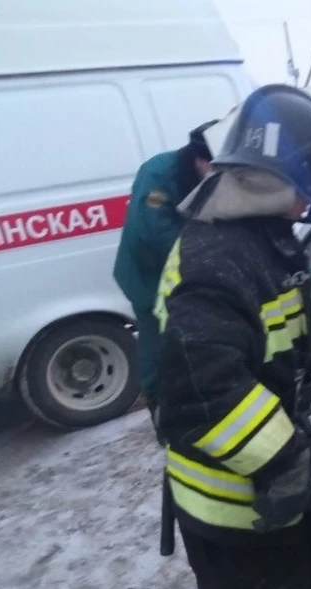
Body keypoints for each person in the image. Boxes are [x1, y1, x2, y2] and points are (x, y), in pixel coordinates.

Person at [153, 85, 311, 589]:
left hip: (281, 492)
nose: (310, 203)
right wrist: (284, 457)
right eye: (310, 187)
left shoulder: (266, 237)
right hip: (234, 509)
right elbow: (201, 392)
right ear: (274, 177)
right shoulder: (213, 257)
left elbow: (273, 329)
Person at [112, 120, 217, 435]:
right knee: (158, 343)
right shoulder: (159, 175)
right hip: (149, 276)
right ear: (200, 159)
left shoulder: (204, 175)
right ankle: (160, 406)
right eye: (213, 166)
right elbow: (153, 234)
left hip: (185, 273)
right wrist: (208, 252)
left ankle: (195, 397)